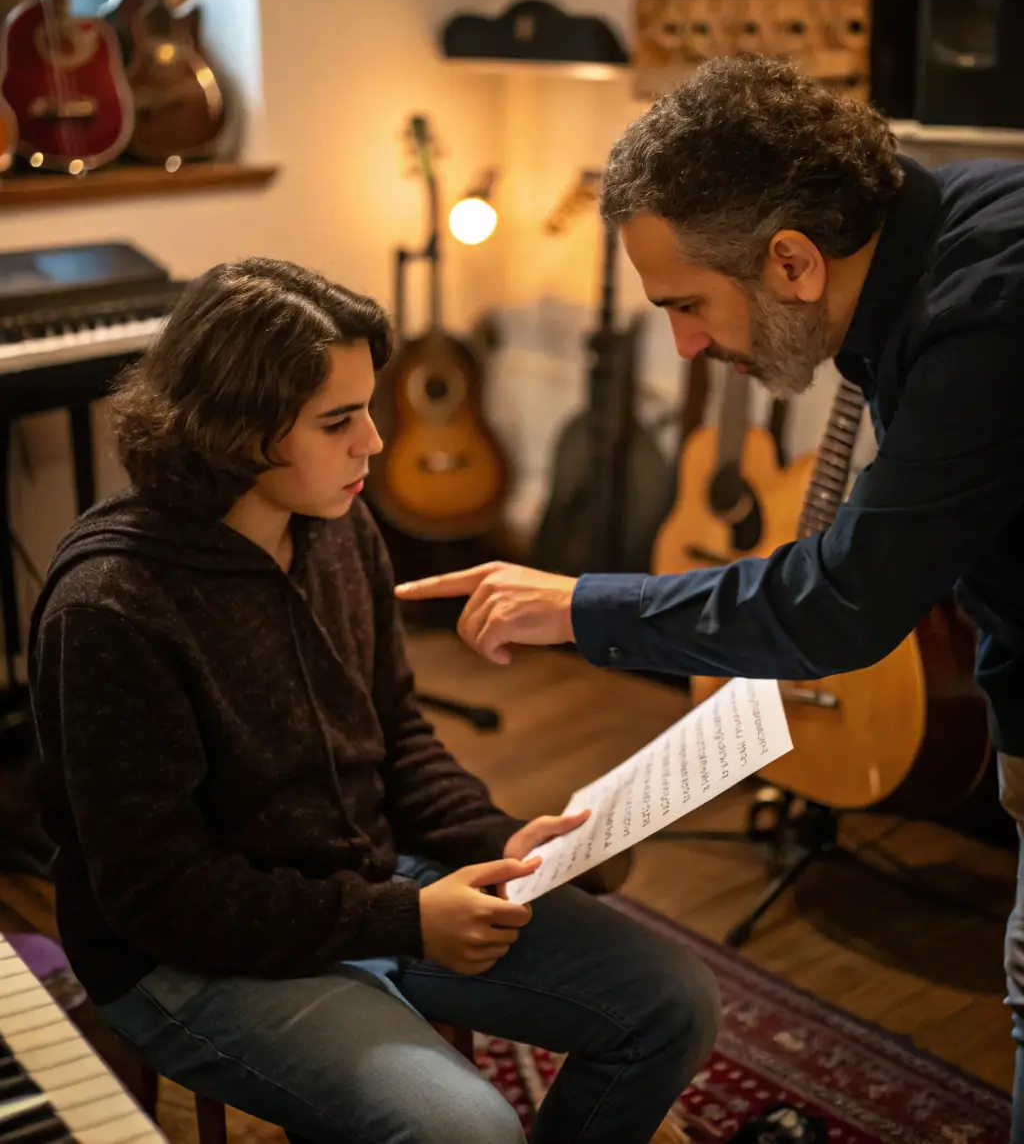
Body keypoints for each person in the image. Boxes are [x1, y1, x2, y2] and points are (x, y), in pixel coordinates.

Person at [394, 56, 1024, 1136]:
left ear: (790, 259)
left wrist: (581, 606)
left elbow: (843, 601)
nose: (683, 345)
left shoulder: (988, 310)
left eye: (686, 305)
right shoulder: (933, 229)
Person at [27, 258, 719, 1144]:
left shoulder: (340, 521)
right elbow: (158, 894)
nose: (376, 441)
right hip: (189, 954)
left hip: (361, 882)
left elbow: (394, 730)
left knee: (671, 999)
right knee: (468, 1129)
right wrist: (405, 919)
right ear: (235, 430)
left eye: (369, 406)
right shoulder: (111, 606)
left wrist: (496, 836)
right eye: (339, 419)